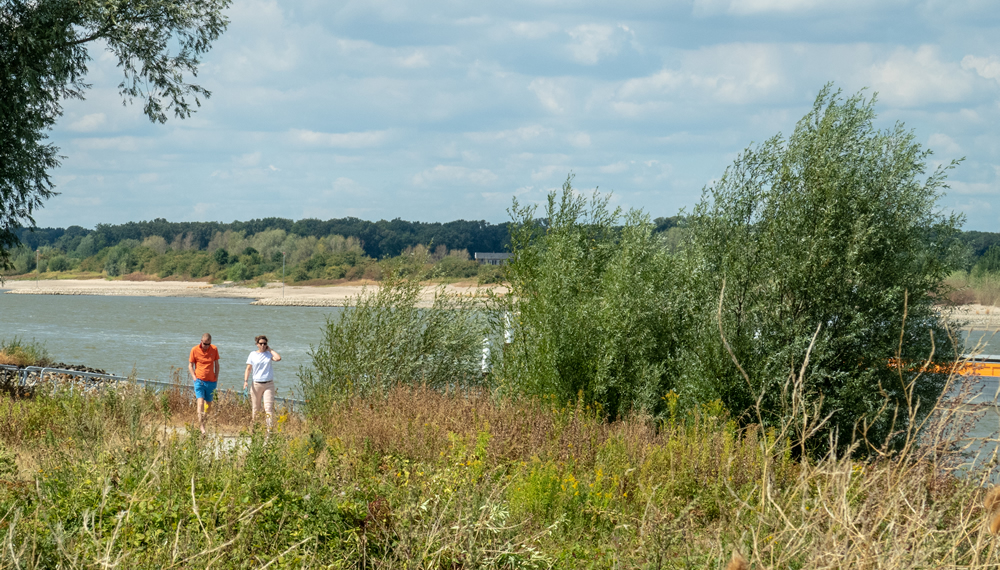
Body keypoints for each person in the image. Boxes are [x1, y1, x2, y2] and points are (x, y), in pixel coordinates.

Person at [244, 335, 280, 432]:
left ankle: (269, 431)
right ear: (257, 344)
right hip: (256, 384)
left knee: (268, 408)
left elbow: (278, 358)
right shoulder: (252, 354)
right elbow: (248, 368)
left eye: (265, 344)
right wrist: (246, 381)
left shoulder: (268, 354)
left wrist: (270, 349)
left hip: (269, 384)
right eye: (261, 344)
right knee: (256, 409)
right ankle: (254, 430)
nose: (263, 345)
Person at [188, 333, 220, 435]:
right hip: (199, 381)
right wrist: (194, 377)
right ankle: (202, 428)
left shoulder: (214, 349)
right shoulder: (194, 350)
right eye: (205, 344)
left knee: (209, 405)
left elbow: (217, 364)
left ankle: (203, 421)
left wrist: (216, 377)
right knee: (200, 402)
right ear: (201, 341)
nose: (206, 346)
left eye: (208, 344)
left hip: (211, 381)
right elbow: (190, 365)